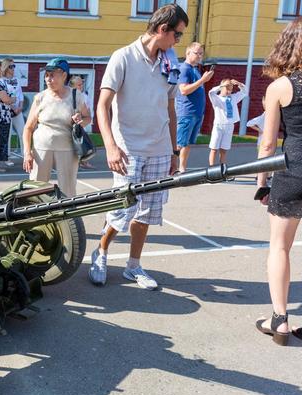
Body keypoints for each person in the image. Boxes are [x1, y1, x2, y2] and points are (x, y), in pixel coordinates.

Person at [89, 4, 188, 289]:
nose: (178, 41)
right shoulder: (123, 57)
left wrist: (173, 150)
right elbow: (103, 106)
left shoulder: (170, 62)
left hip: (158, 149)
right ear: (162, 30)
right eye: (177, 35)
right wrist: (110, 146)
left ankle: (134, 266)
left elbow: (170, 107)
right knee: (122, 210)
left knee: (148, 213)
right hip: (127, 149)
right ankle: (102, 251)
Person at [254, 14, 302, 347]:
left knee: (279, 246)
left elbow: (267, 144)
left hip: (293, 170)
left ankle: (279, 320)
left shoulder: (281, 87)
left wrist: (261, 182)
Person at [22, 58, 91, 198]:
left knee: (68, 189)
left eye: (52, 75)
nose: (48, 79)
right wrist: (27, 153)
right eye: (47, 75)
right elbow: (28, 128)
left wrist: (80, 121)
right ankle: (36, 217)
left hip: (67, 149)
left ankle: (68, 218)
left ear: (64, 75)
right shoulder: (40, 97)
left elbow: (88, 118)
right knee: (35, 190)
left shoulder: (75, 95)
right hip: (41, 148)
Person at [175, 42, 214, 173]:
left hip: (196, 113)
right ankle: (172, 168)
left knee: (188, 143)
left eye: (201, 54)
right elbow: (184, 90)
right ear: (188, 53)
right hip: (186, 112)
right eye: (196, 53)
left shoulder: (195, 70)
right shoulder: (184, 68)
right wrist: (202, 81)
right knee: (180, 143)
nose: (199, 56)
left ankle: (182, 168)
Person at [207, 78, 247, 165]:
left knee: (224, 150)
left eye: (231, 89)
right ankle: (211, 168)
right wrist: (222, 86)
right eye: (227, 89)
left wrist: (239, 84)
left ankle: (222, 168)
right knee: (214, 148)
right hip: (219, 125)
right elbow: (211, 92)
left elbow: (244, 92)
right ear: (222, 88)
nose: (229, 91)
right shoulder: (216, 98)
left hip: (229, 126)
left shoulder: (233, 97)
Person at [1, 58, 25, 167]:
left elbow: (20, 94)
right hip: (7, 111)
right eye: (11, 66)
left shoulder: (16, 79)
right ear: (5, 67)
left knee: (23, 132)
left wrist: (20, 107)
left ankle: (26, 155)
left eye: (14, 66)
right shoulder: (1, 81)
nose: (13, 68)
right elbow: (3, 96)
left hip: (18, 111)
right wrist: (12, 108)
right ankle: (7, 157)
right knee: (8, 134)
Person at [69, 75, 95, 170]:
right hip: (72, 124)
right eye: (79, 85)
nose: (81, 86)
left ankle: (83, 161)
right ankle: (79, 162)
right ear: (72, 86)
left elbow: (88, 110)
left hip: (81, 122)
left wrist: (86, 120)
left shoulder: (84, 96)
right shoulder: (70, 96)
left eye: (82, 84)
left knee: (81, 143)